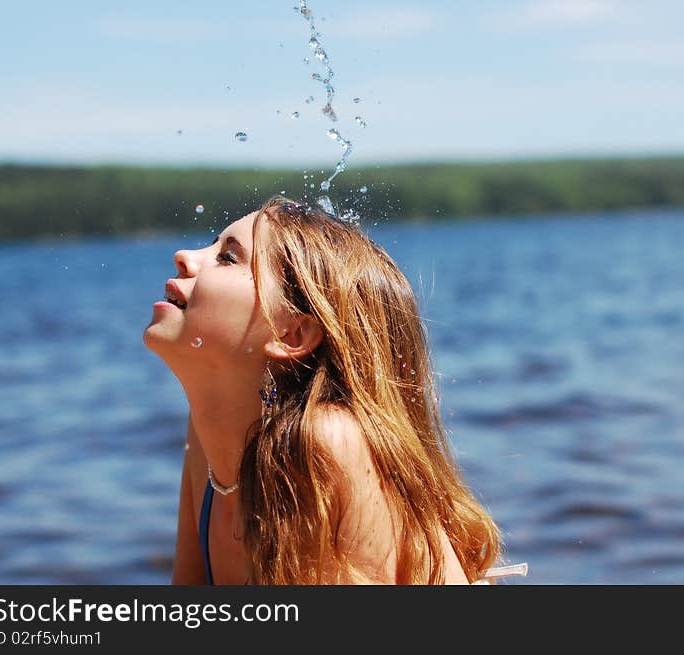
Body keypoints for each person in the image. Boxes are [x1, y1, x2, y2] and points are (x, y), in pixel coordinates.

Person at [143, 196, 517, 584]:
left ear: (292, 333)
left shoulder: (320, 443)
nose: (184, 255)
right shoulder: (208, 439)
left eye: (227, 257)